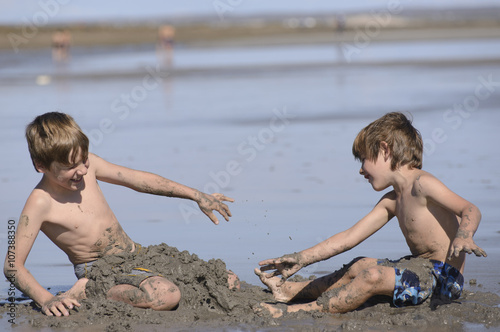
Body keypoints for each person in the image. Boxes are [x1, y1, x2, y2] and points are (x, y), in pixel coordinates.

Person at [254, 112, 487, 317]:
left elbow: (470, 209)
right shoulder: (392, 200)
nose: (361, 169)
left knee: (371, 276)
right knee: (359, 265)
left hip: (442, 281)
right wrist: (300, 259)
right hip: (417, 268)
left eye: (364, 158)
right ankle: (288, 291)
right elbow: (348, 238)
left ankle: (297, 311)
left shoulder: (422, 184)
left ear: (385, 150)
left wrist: (464, 235)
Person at [4, 112, 235, 317]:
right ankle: (87, 290)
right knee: (166, 295)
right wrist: (47, 299)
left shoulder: (89, 166)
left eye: (83, 160)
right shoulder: (39, 202)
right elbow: (12, 266)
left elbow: (138, 180)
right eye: (71, 167)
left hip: (136, 254)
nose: (82, 170)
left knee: (227, 280)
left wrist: (195, 195)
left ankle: (136, 280)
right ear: (41, 165)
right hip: (99, 269)